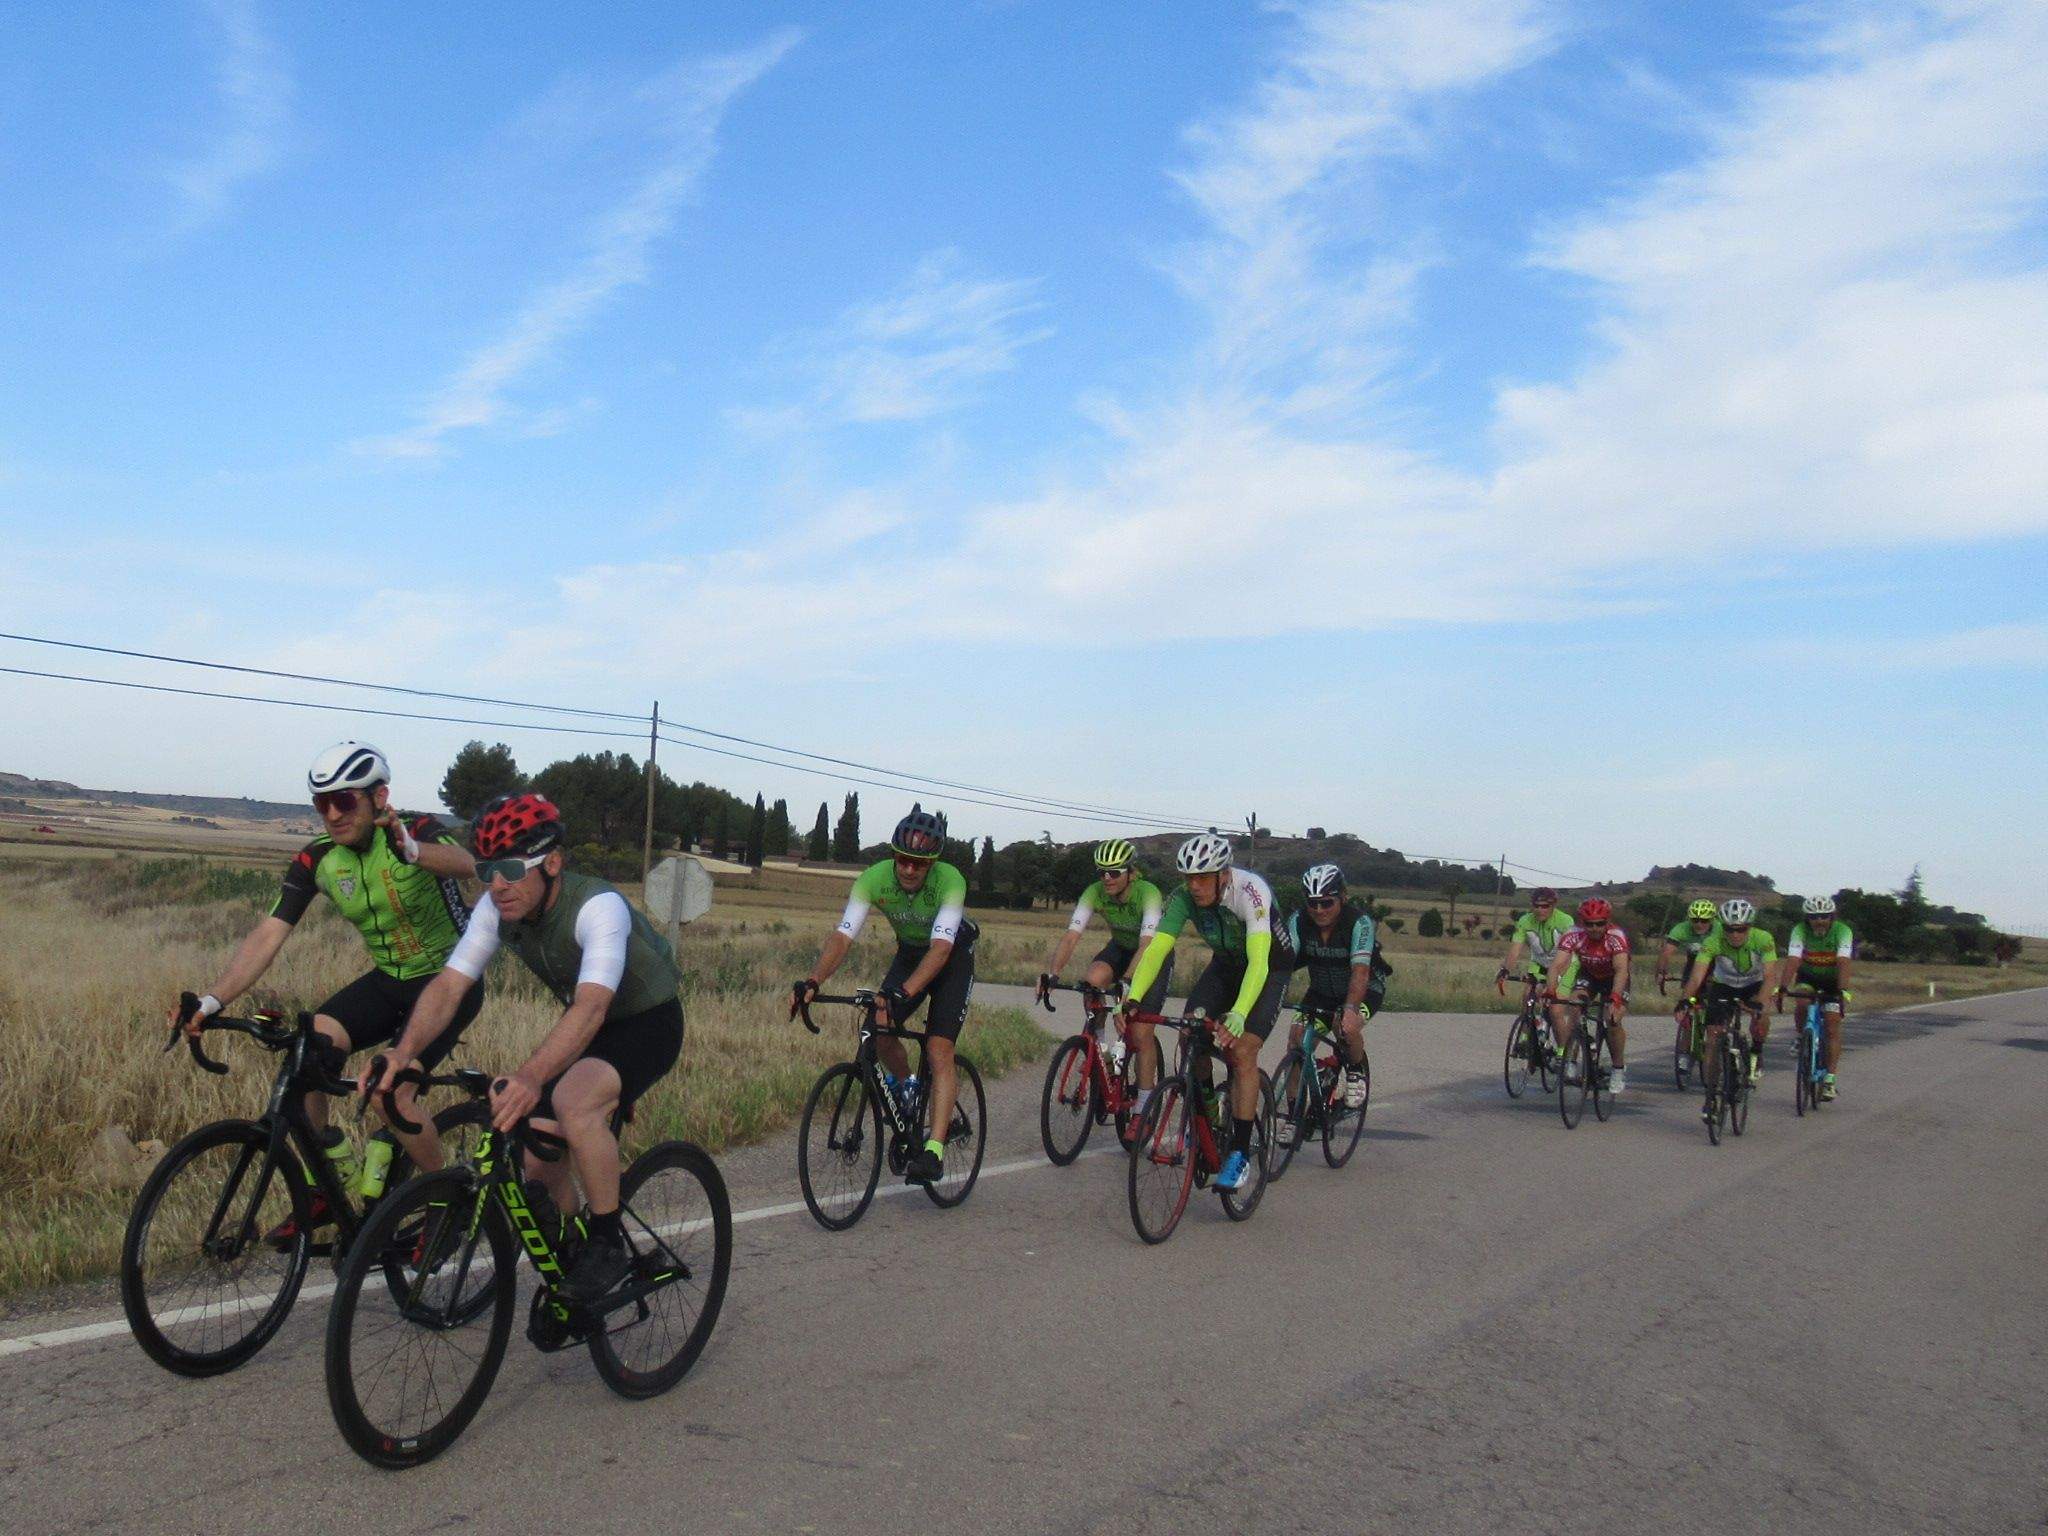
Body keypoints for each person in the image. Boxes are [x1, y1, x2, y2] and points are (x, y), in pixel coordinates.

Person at [369, 792, 684, 1303]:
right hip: (586, 1023)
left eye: (512, 868)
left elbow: (591, 1009)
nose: (498, 884)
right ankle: (572, 1265)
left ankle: (607, 1246)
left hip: (647, 1020)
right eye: (489, 869)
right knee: (540, 1161)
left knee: (574, 1104)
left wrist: (532, 1076)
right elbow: (450, 985)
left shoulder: (598, 906)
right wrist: (404, 1053)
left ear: (552, 863)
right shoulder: (498, 908)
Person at [177, 741, 481, 1233]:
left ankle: (450, 1201)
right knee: (306, 1055)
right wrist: (214, 1000)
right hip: (389, 980)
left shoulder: (417, 830)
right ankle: (328, 1185)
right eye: (323, 803)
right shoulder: (319, 858)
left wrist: (412, 850)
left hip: (450, 982)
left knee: (391, 1097)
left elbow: (467, 864)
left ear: (379, 798)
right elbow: (269, 933)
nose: (333, 814)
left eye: (345, 801)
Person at [793, 805, 976, 1187]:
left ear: (932, 863)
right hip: (910, 954)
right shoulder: (873, 879)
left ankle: (935, 1151)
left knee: (939, 1048)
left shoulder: (950, 880)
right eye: (903, 861)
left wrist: (903, 992)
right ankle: (908, 1086)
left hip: (951, 958)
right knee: (879, 1026)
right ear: (893, 856)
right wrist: (813, 981)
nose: (909, 869)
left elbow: (941, 950)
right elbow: (843, 935)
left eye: (919, 863)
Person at [1121, 833, 1292, 1193]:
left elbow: (1259, 962)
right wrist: (1132, 997)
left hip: (1269, 968)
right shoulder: (1183, 897)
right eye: (1188, 877)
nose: (1193, 886)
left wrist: (1240, 1014)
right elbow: (1157, 948)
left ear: (1224, 874)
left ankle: (1240, 1154)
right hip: (1226, 966)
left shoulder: (1251, 891)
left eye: (1202, 878)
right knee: (1190, 1033)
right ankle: (1209, 1114)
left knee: (1241, 1050)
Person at [1037, 840, 1170, 1042]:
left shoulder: (1148, 893)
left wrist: (1126, 983)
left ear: (1130, 872)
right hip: (1120, 948)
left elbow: (1146, 945)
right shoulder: (1094, 891)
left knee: (1139, 1035)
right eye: (1102, 872)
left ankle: (1144, 1072)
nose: (1107, 878)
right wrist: (1052, 974)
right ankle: (1098, 1047)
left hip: (1151, 954)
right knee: (1092, 982)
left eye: (1115, 872)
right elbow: (1071, 937)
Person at [1282, 863, 1381, 1111]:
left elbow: (1360, 972)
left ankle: (1356, 1069)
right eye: (1312, 903)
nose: (1319, 910)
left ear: (1342, 898)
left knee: (1344, 1026)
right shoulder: (1299, 920)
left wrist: (1350, 1009)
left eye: (1327, 903)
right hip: (1321, 991)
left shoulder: (1360, 923)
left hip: (1364, 988)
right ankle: (1294, 1112)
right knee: (1295, 1041)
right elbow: (1283, 962)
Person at [1680, 898, 1778, 1109]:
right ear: (1722, 927)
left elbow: (1770, 976)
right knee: (1714, 1038)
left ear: (1749, 927)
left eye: (1740, 929)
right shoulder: (1712, 941)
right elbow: (1697, 977)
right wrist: (1685, 1000)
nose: (1735, 934)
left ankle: (1757, 1050)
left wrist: (1760, 1004)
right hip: (1723, 986)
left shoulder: (1763, 939)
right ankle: (1711, 1095)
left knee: (1762, 1015)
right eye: (1729, 929)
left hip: (1753, 984)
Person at [1545, 897, 1632, 1092]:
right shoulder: (1573, 934)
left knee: (1612, 1018)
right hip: (1589, 975)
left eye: (1600, 923)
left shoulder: (1616, 936)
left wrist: (1615, 997)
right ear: (1581, 923)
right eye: (1589, 924)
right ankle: (1571, 1060)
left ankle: (1618, 1068)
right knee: (1575, 1006)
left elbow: (1621, 970)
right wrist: (1551, 990)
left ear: (1607, 922)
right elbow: (1557, 965)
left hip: (1614, 978)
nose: (1594, 928)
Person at [1776, 895, 1854, 1101]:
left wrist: (1842, 990)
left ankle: (1829, 1079)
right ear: (1807, 918)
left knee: (1831, 1024)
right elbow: (1793, 959)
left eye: (1824, 916)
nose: (1819, 920)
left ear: (1832, 917)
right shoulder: (1799, 930)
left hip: (1832, 980)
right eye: (1814, 917)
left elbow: (1844, 962)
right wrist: (1783, 987)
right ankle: (1802, 1036)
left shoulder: (1842, 931)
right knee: (1801, 1000)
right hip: (1808, 977)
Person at [1498, 887, 1573, 996]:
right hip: (1540, 963)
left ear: (1553, 906)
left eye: (1545, 906)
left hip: (1564, 964)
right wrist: (1505, 970)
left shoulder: (1565, 920)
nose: (1539, 910)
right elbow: (1514, 951)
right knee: (1528, 995)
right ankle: (1526, 1013)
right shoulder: (1525, 920)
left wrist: (1557, 977)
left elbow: (1569, 955)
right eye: (1536, 906)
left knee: (1554, 1007)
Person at [1657, 899, 1724, 990]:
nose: (1699, 924)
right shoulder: (1682, 928)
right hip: (1693, 962)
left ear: (1712, 919)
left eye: (1704, 921)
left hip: (1717, 962)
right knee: (1689, 996)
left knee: (1715, 993)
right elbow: (1666, 952)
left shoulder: (1720, 929)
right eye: (1695, 920)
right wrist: (1661, 972)